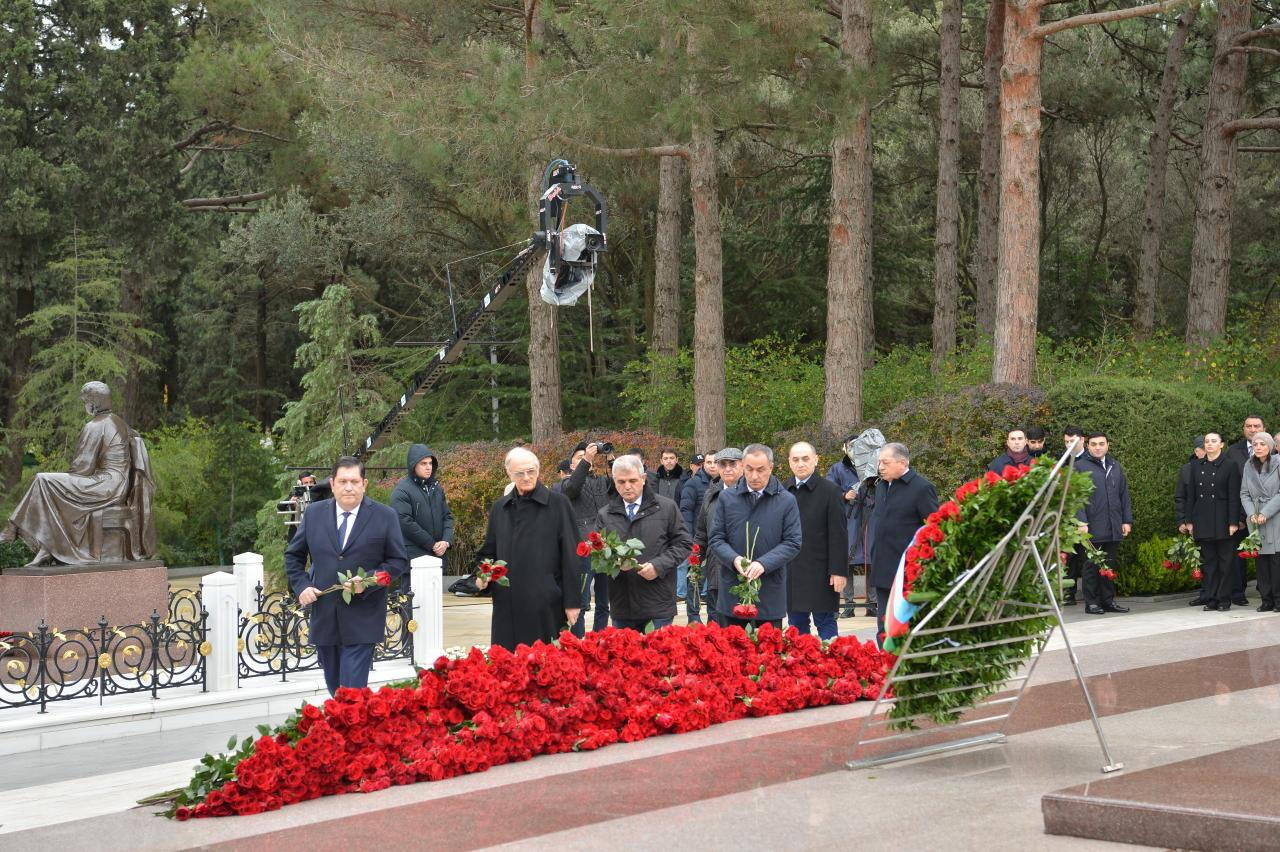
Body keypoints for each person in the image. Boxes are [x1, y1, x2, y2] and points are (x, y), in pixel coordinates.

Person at [286, 456, 409, 696]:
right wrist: (302, 586)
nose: (349, 487)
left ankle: (352, 728)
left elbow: (398, 562)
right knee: (335, 687)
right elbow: (293, 556)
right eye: (343, 481)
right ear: (332, 484)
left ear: (365, 483)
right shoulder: (313, 514)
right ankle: (348, 728)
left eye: (354, 481)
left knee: (351, 690)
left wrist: (369, 582)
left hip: (364, 616)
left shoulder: (385, 516)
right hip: (325, 615)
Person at [2, 380, 155, 566]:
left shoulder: (96, 425)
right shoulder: (118, 421)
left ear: (94, 402)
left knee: (43, 480)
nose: (85, 405)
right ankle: (46, 548)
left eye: (86, 401)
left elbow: (82, 468)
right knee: (49, 484)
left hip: (105, 485)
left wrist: (66, 480)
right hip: (116, 485)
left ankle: (13, 528)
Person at [475, 447, 583, 650]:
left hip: (544, 603)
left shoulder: (558, 504)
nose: (527, 477)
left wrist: (572, 602)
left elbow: (571, 555)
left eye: (531, 471)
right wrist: (482, 575)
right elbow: (488, 553)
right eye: (520, 473)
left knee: (542, 668)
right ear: (509, 474)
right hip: (507, 605)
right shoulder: (500, 508)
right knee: (506, 667)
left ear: (538, 470)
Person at [709, 444, 802, 630]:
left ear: (771, 468)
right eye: (749, 469)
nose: (754, 476)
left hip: (769, 592)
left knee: (767, 654)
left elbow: (793, 542)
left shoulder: (786, 500)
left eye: (761, 470)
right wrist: (734, 560)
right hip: (732, 591)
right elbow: (716, 539)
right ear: (742, 466)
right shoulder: (727, 498)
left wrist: (763, 564)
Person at [597, 455, 691, 631]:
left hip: (658, 602)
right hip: (622, 604)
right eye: (621, 481)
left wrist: (658, 566)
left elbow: (684, 543)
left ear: (643, 478)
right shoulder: (605, 514)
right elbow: (598, 553)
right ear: (614, 481)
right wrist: (614, 563)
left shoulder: (666, 507)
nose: (627, 486)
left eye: (632, 480)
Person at [869, 443, 938, 644]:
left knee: (904, 627)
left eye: (885, 462)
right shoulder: (882, 486)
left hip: (907, 572)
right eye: (879, 462)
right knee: (883, 627)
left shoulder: (922, 488)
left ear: (902, 462)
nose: (880, 467)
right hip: (882, 568)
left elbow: (934, 529)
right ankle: (884, 670)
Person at [784, 442, 848, 639]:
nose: (800, 464)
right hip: (792, 571)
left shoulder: (830, 491)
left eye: (805, 459)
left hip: (822, 571)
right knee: (796, 624)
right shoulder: (782, 490)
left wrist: (838, 570)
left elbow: (839, 534)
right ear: (789, 462)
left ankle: (832, 668)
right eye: (795, 459)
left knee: (826, 622)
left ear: (816, 460)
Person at [1176, 432, 1243, 612]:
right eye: (1207, 441)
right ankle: (1211, 599)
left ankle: (1223, 599)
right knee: (1210, 563)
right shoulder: (1196, 466)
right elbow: (1191, 497)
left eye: (1214, 441)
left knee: (1225, 563)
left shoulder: (1230, 465)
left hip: (1223, 520)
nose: (1210, 444)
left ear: (1222, 444)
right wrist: (1189, 521)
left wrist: (1233, 522)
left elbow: (1234, 497)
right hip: (1202, 519)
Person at [555, 442, 609, 634]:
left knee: (604, 602)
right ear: (571, 465)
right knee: (581, 601)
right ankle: (578, 641)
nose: (587, 457)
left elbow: (620, 483)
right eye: (579, 457)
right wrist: (585, 460)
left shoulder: (601, 481)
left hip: (604, 546)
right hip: (582, 549)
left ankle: (600, 640)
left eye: (587, 456)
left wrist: (610, 457)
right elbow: (573, 488)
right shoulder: (563, 484)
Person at [1079, 433, 1134, 615]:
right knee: (1091, 566)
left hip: (1113, 525)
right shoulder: (1079, 467)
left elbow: (1123, 495)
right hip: (1092, 526)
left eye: (1101, 444)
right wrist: (1081, 521)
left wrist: (1126, 520)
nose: (1098, 447)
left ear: (1107, 445)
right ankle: (1092, 603)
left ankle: (1108, 601)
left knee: (1109, 564)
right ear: (1088, 446)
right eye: (1094, 444)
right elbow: (1076, 498)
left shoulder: (1114, 466)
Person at [390, 444, 455, 579]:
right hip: (414, 560)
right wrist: (432, 544)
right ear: (414, 465)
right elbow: (405, 522)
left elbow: (447, 517)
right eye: (423, 463)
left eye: (430, 463)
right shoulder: (402, 491)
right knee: (414, 600)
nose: (428, 467)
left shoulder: (436, 488)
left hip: (437, 560)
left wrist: (446, 541)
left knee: (435, 599)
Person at [695, 450, 741, 624]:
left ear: (743, 465)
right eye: (723, 464)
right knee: (716, 627)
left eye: (733, 464)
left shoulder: (753, 493)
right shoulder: (711, 494)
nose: (727, 469)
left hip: (744, 574)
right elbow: (701, 533)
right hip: (716, 570)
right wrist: (695, 561)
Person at [1225, 415, 1265, 606]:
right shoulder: (1233, 451)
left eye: (1256, 426)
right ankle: (1237, 593)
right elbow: (1230, 485)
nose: (1252, 429)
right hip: (1241, 514)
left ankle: (1267, 590)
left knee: (1266, 554)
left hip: (1267, 514)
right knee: (1237, 556)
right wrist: (1237, 516)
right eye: (1248, 426)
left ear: (1263, 427)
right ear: (1243, 429)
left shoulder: (1272, 450)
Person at [1240, 431, 1280, 612]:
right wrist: (1251, 514)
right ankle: (1266, 599)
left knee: (1276, 561)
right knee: (1261, 561)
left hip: (1276, 517)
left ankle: (1278, 599)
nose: (1258, 447)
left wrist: (1266, 512)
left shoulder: (1278, 463)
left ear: (1270, 446)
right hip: (1256, 519)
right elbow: (1244, 493)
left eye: (1262, 444)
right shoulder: (1248, 466)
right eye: (1255, 444)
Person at [1175, 436, 1210, 606]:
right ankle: (1206, 593)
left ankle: (1223, 593)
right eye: (1205, 446)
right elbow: (1180, 497)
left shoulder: (1224, 465)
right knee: (1202, 559)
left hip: (1217, 521)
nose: (1210, 448)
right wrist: (1182, 520)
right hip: (1195, 522)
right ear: (1197, 451)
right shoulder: (1187, 470)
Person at [1061, 426, 1089, 605]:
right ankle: (1068, 593)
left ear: (1082, 440)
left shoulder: (1090, 459)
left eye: (1073, 441)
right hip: (1067, 516)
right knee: (1068, 557)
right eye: (1067, 442)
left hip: (1087, 515)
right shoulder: (1062, 461)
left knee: (1088, 557)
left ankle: (1090, 593)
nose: (1069, 444)